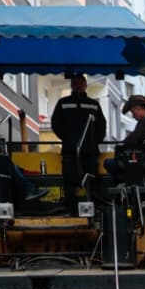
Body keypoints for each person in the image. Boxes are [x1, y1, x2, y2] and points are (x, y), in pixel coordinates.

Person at [49, 74, 104, 204]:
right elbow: (55, 123)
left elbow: (102, 125)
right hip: (70, 150)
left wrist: (95, 141)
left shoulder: (94, 104)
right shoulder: (63, 103)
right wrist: (67, 138)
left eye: (81, 83)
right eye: (75, 83)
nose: (78, 86)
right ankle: (70, 209)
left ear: (85, 86)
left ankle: (93, 209)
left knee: (91, 180)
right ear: (72, 85)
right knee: (69, 181)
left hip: (90, 151)